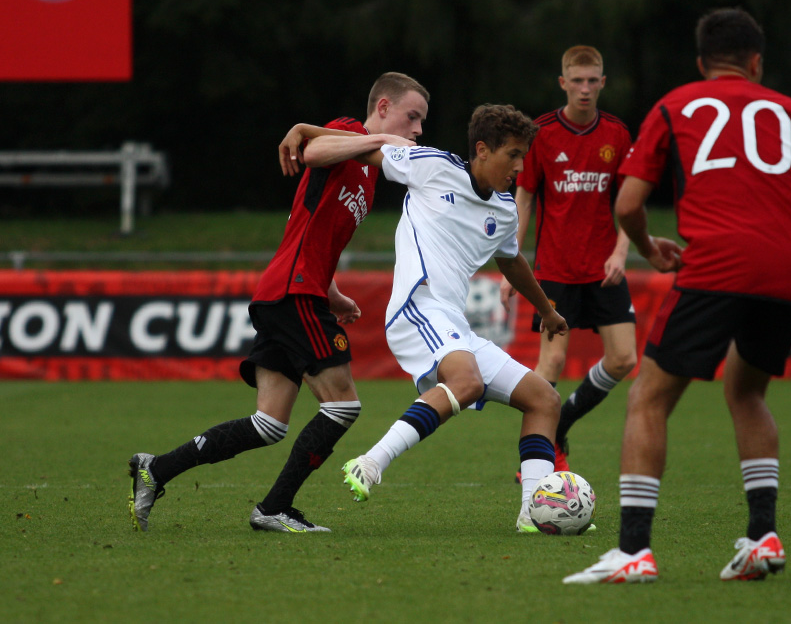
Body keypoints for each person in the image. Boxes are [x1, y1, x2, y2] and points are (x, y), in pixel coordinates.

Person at [564, 8, 791, 583]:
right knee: (747, 392)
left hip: (718, 262)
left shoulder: (676, 105)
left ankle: (633, 551)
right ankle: (762, 537)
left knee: (649, 398)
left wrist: (647, 246)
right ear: (756, 62)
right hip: (790, 269)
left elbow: (627, 204)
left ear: (701, 63)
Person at [127, 72, 430, 533]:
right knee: (343, 407)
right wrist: (378, 138)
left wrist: (335, 294)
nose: (418, 130)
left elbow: (312, 236)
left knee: (267, 424)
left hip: (294, 290)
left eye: (422, 122)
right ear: (384, 107)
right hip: (293, 293)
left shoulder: (369, 173)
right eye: (413, 117)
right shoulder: (350, 131)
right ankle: (274, 508)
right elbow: (312, 152)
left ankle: (156, 469)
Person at [301, 104, 570, 532]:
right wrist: (308, 130)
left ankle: (532, 513)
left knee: (544, 400)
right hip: (416, 305)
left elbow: (512, 261)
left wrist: (547, 311)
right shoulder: (433, 166)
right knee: (466, 383)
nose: (520, 167)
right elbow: (360, 149)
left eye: (524, 156)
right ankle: (370, 462)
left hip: (452, 322)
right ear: (482, 150)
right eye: (513, 155)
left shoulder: (503, 210)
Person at [499, 45, 636, 476]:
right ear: (563, 83)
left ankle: (563, 422)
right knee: (552, 363)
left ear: (602, 83)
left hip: (603, 270)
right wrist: (511, 261)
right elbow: (524, 198)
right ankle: (535, 460)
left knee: (623, 359)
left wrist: (620, 252)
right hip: (555, 271)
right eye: (576, 81)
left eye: (592, 80)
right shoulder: (542, 133)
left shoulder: (617, 133)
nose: (584, 89)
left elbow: (631, 202)